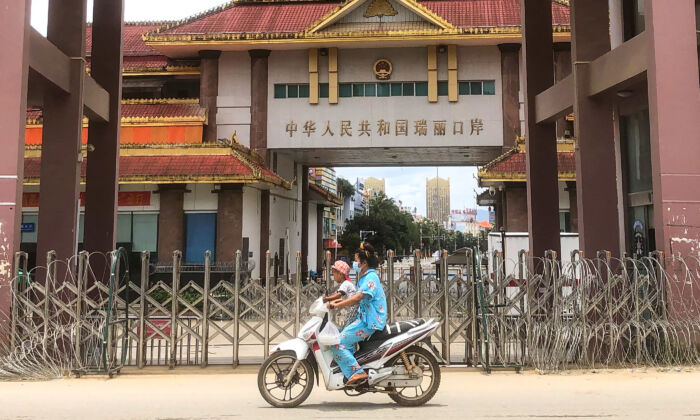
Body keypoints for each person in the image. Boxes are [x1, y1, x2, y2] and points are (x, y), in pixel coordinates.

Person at [327, 242, 387, 385]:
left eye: (356, 260)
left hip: (369, 322)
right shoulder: (365, 277)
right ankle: (349, 369)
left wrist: (338, 304)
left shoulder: (371, 277)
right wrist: (336, 303)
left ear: (364, 262)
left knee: (336, 342)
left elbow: (358, 297)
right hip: (363, 319)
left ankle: (357, 372)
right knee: (341, 339)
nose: (354, 263)